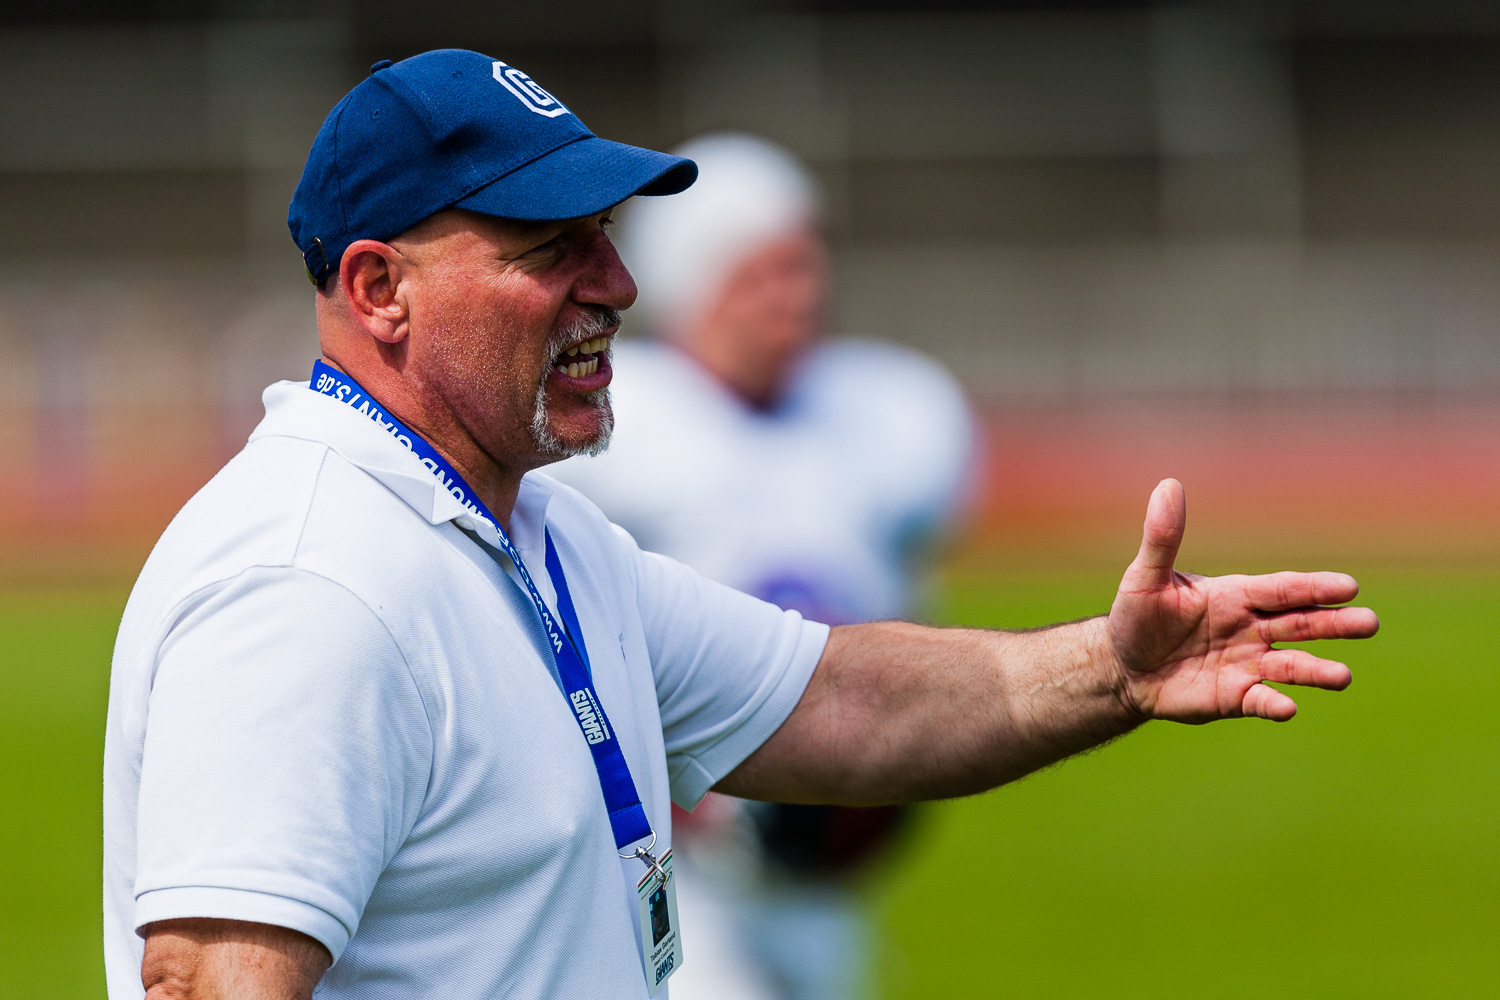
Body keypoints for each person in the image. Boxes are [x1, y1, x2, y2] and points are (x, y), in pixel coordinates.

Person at [103, 49, 1379, 1000]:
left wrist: (1113, 667)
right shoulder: (311, 579)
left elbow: (844, 702)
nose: (618, 284)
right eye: (553, 246)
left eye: (604, 234)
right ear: (380, 288)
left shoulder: (534, 541)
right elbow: (208, 983)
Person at [548, 132, 978, 1000]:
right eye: (762, 274)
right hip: (669, 862)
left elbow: (909, 606)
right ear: (692, 287)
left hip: (819, 853)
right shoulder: (612, 424)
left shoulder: (891, 415)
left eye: (805, 266)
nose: (798, 296)